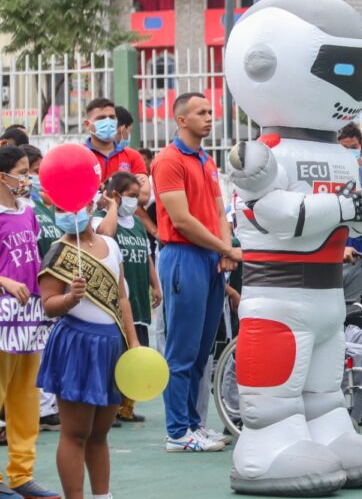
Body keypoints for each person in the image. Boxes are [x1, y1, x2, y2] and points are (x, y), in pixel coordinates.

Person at [152, 92, 241, 452]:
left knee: (203, 349)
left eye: (210, 112)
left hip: (209, 259)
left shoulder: (207, 160)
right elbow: (182, 220)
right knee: (182, 350)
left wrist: (225, 251)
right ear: (181, 120)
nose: (209, 118)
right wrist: (225, 249)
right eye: (200, 113)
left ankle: (193, 424)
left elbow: (220, 213)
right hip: (183, 257)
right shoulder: (168, 160)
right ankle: (177, 431)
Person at [37, 197, 139, 499]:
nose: (69, 213)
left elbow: (121, 298)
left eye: (74, 205)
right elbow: (48, 305)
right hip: (76, 344)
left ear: (90, 204)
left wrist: (132, 342)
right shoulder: (59, 252)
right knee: (76, 432)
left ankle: (101, 495)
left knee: (100, 433)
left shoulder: (111, 244)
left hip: (110, 344)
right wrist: (70, 298)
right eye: (60, 209)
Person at [0, 147, 60, 499]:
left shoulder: (28, 211)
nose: (28, 178)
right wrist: (4, 281)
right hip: (3, 316)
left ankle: (22, 474)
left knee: (25, 398)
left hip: (30, 316)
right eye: (23, 171)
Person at [93, 172, 162, 422]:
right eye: (131, 196)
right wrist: (111, 208)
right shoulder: (102, 219)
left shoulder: (138, 226)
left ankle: (126, 405)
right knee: (116, 355)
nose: (135, 202)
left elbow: (146, 256)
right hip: (115, 302)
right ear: (115, 195)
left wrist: (156, 285)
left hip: (138, 302)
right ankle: (109, 406)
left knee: (136, 349)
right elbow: (105, 235)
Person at [22, 144, 64, 433]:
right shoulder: (22, 209)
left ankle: (46, 407)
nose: (32, 179)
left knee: (45, 348)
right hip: (22, 292)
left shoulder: (43, 208)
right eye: (28, 173)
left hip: (45, 288)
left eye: (34, 173)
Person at [83, 98, 150, 204]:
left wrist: (101, 190)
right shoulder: (79, 156)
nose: (108, 122)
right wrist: (126, 191)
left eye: (112, 117)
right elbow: (76, 194)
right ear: (87, 125)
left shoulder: (133, 156)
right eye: (101, 118)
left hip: (125, 221)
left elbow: (144, 196)